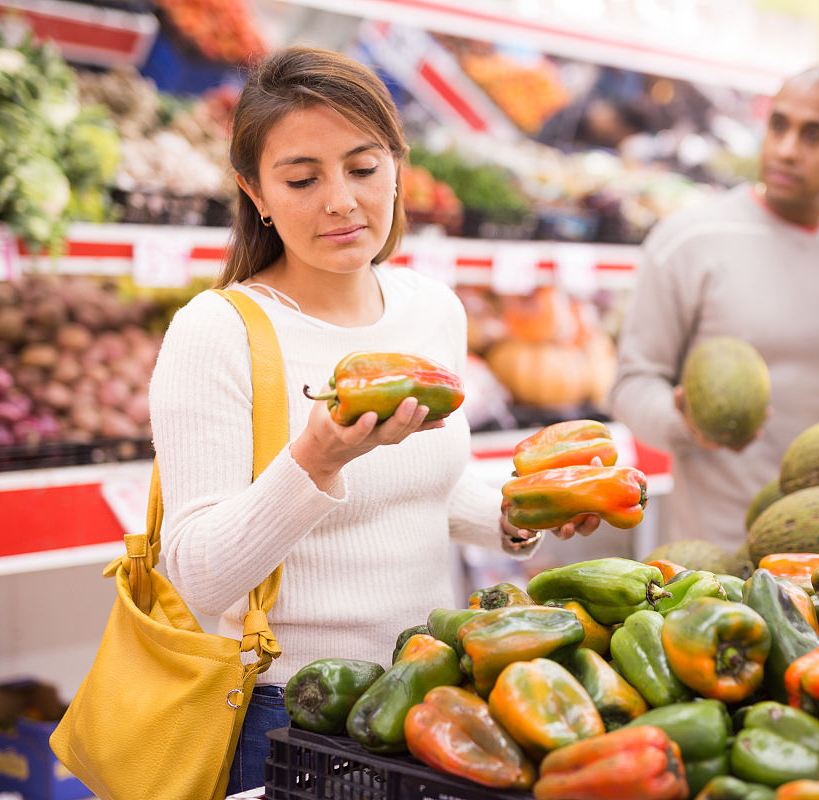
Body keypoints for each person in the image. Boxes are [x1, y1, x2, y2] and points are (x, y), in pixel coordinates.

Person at [147, 46, 597, 794]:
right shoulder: (217, 332)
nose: (341, 201)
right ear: (253, 192)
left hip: (426, 689)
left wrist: (521, 515)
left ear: (397, 164)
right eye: (302, 178)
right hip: (288, 710)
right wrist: (315, 461)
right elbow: (194, 574)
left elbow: (419, 483)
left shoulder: (430, 308)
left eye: (363, 168)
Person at [608, 64, 819, 555]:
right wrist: (688, 425)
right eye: (779, 125)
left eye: (815, 135)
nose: (786, 149)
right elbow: (631, 386)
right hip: (721, 551)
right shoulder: (688, 241)